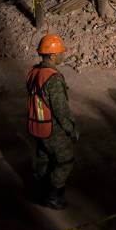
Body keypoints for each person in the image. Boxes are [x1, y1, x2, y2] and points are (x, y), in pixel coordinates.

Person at [27, 34, 78, 210]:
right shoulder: (53, 78)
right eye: (61, 52)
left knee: (44, 159)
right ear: (52, 55)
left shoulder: (34, 71)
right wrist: (71, 129)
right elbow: (61, 110)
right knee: (65, 160)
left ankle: (38, 191)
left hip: (36, 124)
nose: (63, 54)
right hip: (52, 127)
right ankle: (53, 197)